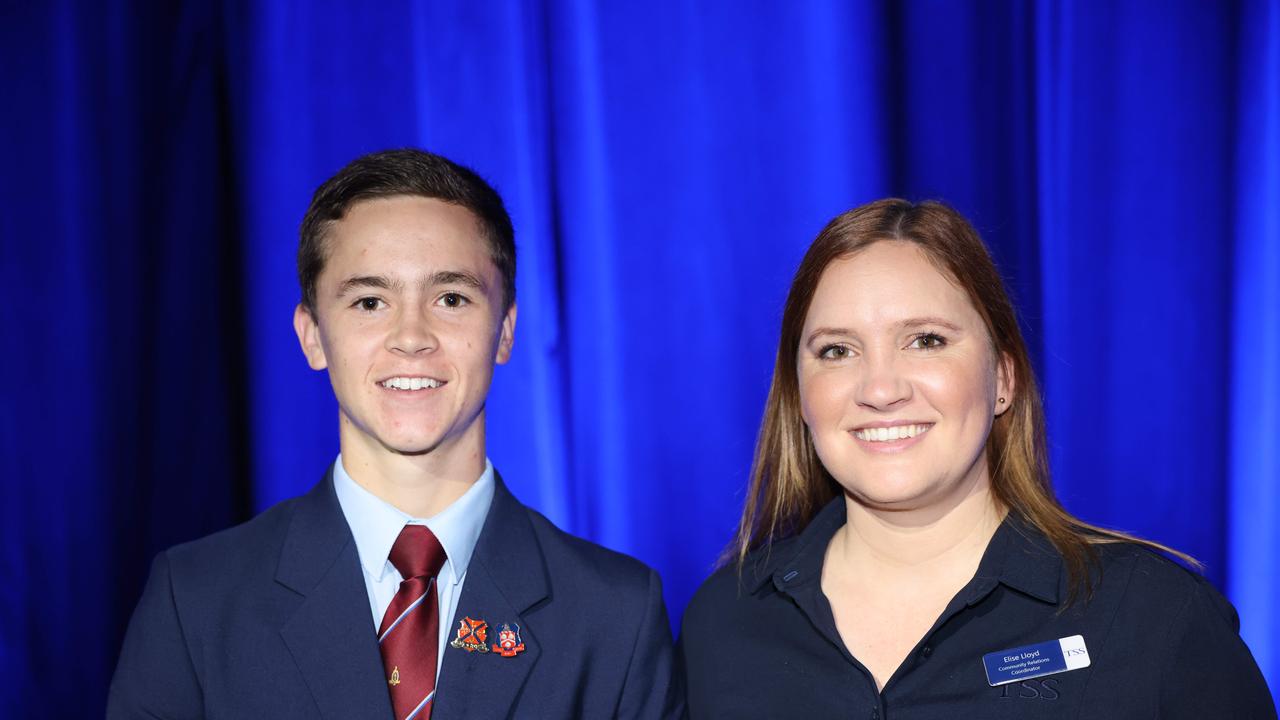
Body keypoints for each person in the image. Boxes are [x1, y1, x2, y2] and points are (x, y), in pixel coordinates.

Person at [109, 149, 681, 719]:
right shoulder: (195, 603)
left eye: (451, 298)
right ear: (311, 336)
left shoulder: (616, 615)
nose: (411, 336)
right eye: (370, 302)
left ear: (505, 330)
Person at [678, 199, 1275, 718]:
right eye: (837, 350)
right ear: (799, 395)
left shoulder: (1153, 619)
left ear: (1004, 379)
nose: (880, 388)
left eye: (927, 341)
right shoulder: (723, 626)